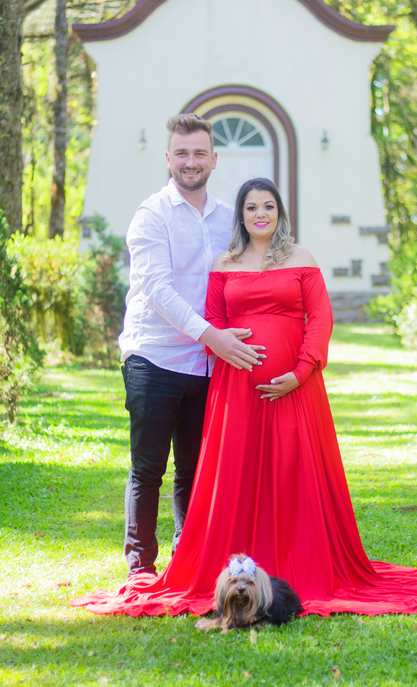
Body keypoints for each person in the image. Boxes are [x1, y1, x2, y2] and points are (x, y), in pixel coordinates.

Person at [73, 178, 417, 616]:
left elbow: (320, 319)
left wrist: (299, 373)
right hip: (237, 391)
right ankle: (220, 565)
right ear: (240, 216)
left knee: (292, 470)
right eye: (251, 207)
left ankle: (303, 563)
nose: (260, 214)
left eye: (268, 206)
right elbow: (213, 321)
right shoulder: (225, 262)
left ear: (280, 212)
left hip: (296, 393)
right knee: (235, 476)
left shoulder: (301, 258)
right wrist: (225, 344)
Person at [115, 114, 266, 576]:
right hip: (154, 357)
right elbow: (158, 291)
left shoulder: (229, 219)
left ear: (214, 159)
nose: (191, 161)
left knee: (196, 470)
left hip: (207, 366)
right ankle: (141, 566)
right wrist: (212, 336)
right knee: (148, 468)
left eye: (200, 153)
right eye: (182, 153)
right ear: (168, 158)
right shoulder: (151, 215)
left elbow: (250, 273)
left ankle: (187, 561)